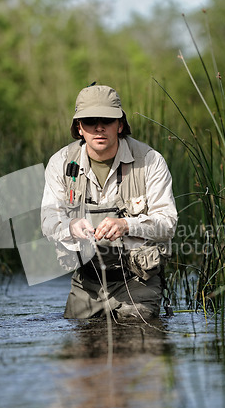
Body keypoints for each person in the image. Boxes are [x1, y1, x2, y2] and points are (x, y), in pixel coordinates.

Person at [41, 84, 178, 320]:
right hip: (86, 283)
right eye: (90, 121)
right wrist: (70, 227)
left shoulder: (151, 161)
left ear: (120, 125)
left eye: (107, 119)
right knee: (82, 344)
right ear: (79, 128)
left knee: (134, 332)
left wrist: (127, 225)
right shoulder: (61, 163)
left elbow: (168, 223)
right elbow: (48, 221)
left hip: (139, 281)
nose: (99, 127)